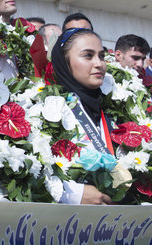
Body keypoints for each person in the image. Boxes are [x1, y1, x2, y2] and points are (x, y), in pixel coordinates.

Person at [50, 28, 114, 205]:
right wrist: (72, 194)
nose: (99, 63)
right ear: (65, 62)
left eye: (101, 56)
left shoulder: (115, 108)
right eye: (88, 55)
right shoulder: (47, 110)